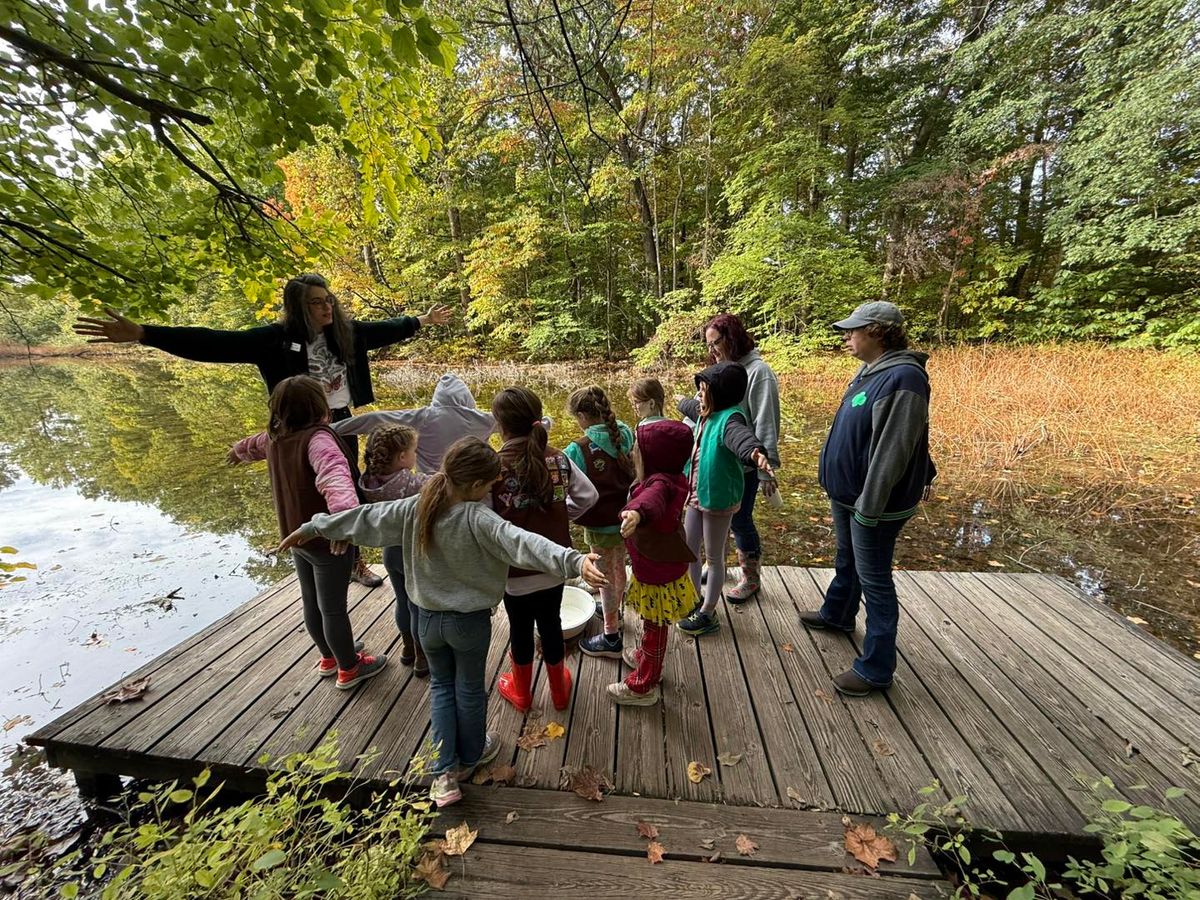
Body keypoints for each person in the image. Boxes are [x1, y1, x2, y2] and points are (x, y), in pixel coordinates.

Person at [276, 437, 607, 808]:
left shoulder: (415, 508)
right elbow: (526, 543)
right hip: (469, 624)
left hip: (427, 623)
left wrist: (316, 526)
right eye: (489, 484)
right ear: (476, 486)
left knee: (441, 689)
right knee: (467, 689)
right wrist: (575, 561)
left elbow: (365, 519)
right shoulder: (480, 519)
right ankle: (472, 754)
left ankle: (444, 775)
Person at [74, 274, 452, 588]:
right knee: (304, 489)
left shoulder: (345, 333)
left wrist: (422, 320)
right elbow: (214, 342)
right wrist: (145, 333)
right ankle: (311, 551)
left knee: (346, 486)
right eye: (317, 303)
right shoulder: (274, 339)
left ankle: (352, 561)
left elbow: (388, 329)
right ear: (298, 308)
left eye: (329, 300)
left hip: (342, 422)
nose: (327, 307)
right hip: (299, 428)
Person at [799, 301, 936, 698]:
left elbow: (894, 449)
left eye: (853, 330)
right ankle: (839, 613)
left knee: (875, 581)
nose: (846, 336)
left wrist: (869, 508)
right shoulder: (871, 372)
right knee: (847, 557)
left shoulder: (905, 379)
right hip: (849, 493)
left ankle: (876, 668)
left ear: (877, 332)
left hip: (873, 504)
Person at [228, 376, 387, 690]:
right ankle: (349, 668)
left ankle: (329, 656)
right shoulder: (319, 441)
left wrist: (237, 452)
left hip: (296, 536)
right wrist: (343, 527)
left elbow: (252, 445)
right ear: (319, 406)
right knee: (333, 608)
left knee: (311, 601)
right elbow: (336, 483)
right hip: (327, 540)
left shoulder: (274, 438)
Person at [488, 387, 597, 713]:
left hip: (513, 570)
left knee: (519, 630)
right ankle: (559, 691)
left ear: (499, 425)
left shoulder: (492, 466)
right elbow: (588, 496)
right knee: (550, 623)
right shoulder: (558, 457)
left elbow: (482, 518)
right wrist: (563, 514)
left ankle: (522, 693)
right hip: (555, 564)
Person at [676, 362, 773, 637]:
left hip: (718, 499)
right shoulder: (707, 412)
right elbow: (689, 407)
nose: (698, 394)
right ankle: (694, 599)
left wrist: (756, 453)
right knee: (689, 550)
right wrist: (677, 401)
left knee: (715, 558)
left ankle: (707, 612)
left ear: (719, 393)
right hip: (696, 495)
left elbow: (742, 439)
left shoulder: (730, 418)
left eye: (703, 389)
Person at [609, 419, 697, 706]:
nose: (634, 452)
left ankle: (644, 684)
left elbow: (651, 500)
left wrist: (635, 512)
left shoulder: (660, 483)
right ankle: (647, 657)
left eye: (639, 448)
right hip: (661, 563)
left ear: (655, 457)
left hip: (657, 571)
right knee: (653, 625)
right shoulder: (672, 475)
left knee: (655, 626)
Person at [702, 314, 781, 602]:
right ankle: (717, 568)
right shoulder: (722, 367)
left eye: (716, 343)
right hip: (720, 461)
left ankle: (751, 578)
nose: (712, 350)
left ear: (732, 338)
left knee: (741, 521)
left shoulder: (759, 372)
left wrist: (766, 469)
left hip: (746, 464)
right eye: (709, 345)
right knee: (716, 516)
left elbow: (766, 421)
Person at [565, 386, 635, 659]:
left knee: (603, 577)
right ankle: (615, 608)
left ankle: (611, 635)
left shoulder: (578, 449)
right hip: (628, 519)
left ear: (582, 416)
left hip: (599, 525)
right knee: (618, 565)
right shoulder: (625, 432)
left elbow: (571, 485)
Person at [360, 425, 430, 677]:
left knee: (401, 601)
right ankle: (423, 657)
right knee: (418, 605)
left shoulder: (369, 482)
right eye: (413, 450)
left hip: (389, 551)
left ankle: (407, 649)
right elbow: (442, 483)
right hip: (411, 552)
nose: (416, 455)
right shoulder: (412, 483)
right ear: (402, 457)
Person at [331, 373, 497, 474]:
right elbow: (517, 421)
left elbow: (374, 419)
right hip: (470, 485)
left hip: (429, 486)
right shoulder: (482, 420)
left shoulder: (423, 417)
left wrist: (331, 429)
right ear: (467, 398)